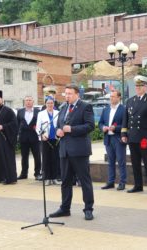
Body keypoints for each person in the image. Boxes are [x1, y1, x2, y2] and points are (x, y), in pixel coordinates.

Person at [49, 85, 95, 221]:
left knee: (84, 181)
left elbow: (90, 126)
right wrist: (58, 131)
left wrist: (72, 129)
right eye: (66, 94)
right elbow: (59, 124)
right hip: (65, 150)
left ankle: (88, 209)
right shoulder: (63, 107)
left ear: (77, 94)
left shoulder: (85, 107)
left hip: (79, 150)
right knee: (65, 181)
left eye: (70, 94)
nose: (67, 96)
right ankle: (65, 208)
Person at [121, 75, 147, 195]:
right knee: (135, 163)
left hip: (144, 138)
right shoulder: (130, 101)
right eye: (136, 86)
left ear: (145, 87)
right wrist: (124, 133)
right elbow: (126, 119)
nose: (137, 88)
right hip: (132, 137)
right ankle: (138, 185)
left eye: (140, 86)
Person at [98, 90, 127, 191]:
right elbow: (100, 123)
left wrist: (116, 128)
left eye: (113, 96)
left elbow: (125, 125)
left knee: (121, 161)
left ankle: (122, 182)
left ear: (119, 98)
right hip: (108, 138)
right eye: (110, 97)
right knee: (110, 162)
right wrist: (103, 128)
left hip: (118, 138)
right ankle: (111, 182)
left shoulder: (123, 109)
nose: (111, 98)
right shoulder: (106, 109)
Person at [36, 97, 60, 185]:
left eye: (51, 103)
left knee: (55, 158)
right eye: (48, 103)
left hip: (55, 139)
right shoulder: (41, 114)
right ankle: (47, 178)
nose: (50, 105)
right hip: (45, 139)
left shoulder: (58, 113)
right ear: (45, 104)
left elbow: (60, 124)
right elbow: (38, 127)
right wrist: (42, 135)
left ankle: (54, 178)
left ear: (54, 104)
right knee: (46, 159)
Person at [17, 96, 41, 180]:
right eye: (26, 100)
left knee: (37, 156)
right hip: (23, 137)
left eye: (30, 100)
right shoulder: (20, 111)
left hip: (35, 137)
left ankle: (37, 173)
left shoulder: (38, 112)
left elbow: (40, 124)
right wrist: (17, 135)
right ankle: (24, 173)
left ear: (33, 101)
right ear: (24, 102)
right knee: (24, 157)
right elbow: (17, 124)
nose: (28, 102)